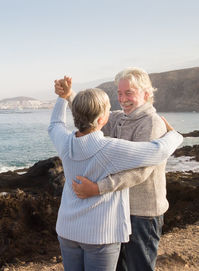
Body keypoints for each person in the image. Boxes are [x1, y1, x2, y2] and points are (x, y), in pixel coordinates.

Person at [49, 82, 183, 271]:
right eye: (109, 110)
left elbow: (55, 124)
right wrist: (175, 135)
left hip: (67, 231)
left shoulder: (63, 142)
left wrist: (63, 98)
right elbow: (157, 152)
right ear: (103, 119)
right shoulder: (111, 149)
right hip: (101, 235)